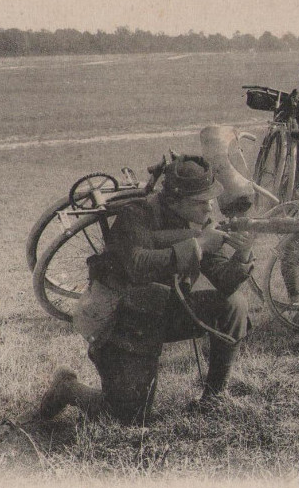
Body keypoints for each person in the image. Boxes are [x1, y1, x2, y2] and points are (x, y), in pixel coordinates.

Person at [29, 156, 255, 424]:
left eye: (209, 199)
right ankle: (67, 388)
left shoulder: (197, 222)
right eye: (201, 201)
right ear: (175, 200)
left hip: (163, 310)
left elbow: (224, 281)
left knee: (233, 305)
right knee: (128, 417)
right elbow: (137, 265)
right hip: (122, 322)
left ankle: (213, 398)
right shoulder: (135, 215)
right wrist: (197, 247)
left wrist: (243, 253)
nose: (210, 206)